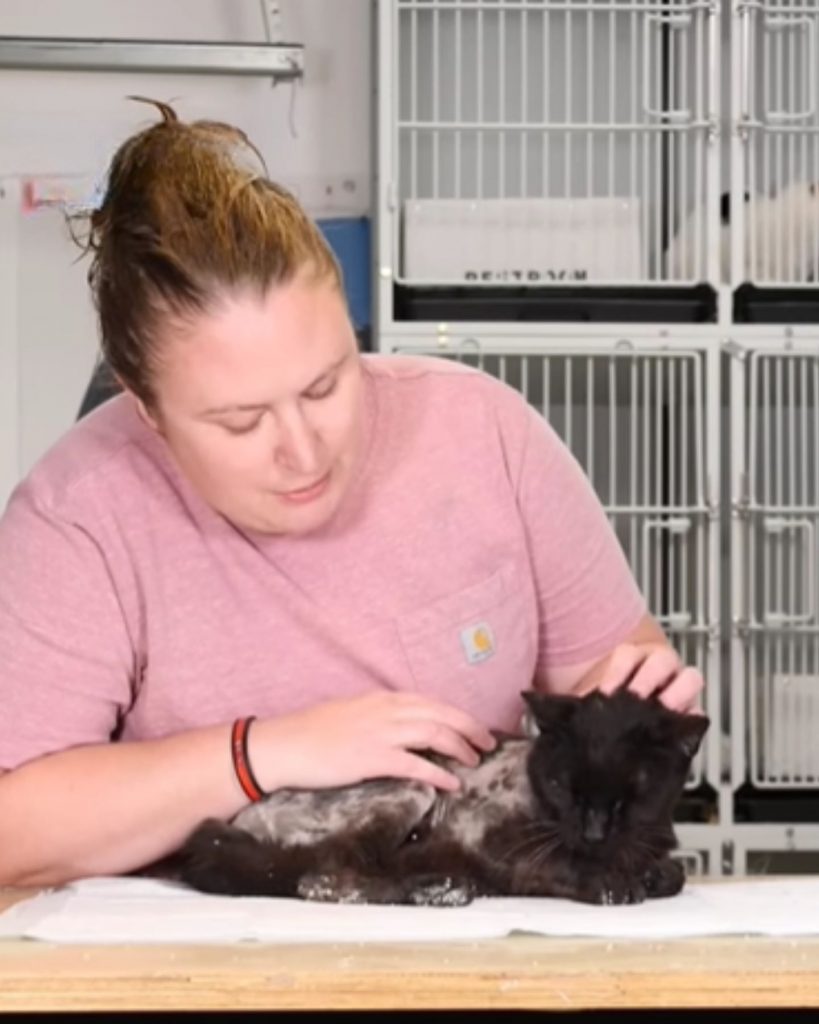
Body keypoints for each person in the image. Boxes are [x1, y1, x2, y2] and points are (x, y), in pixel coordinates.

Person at [0, 101, 704, 887]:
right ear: (144, 408)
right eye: (240, 422)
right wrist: (260, 753)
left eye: (327, 384)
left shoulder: (486, 433)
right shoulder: (78, 517)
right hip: (203, 963)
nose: (302, 451)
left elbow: (608, 686)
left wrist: (634, 719)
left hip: (476, 935)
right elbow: (12, 831)